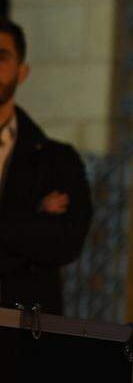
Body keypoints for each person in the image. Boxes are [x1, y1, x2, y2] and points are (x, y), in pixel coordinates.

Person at [0, 17, 92, 315]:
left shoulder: (57, 161)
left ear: (22, 72)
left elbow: (66, 243)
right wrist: (32, 218)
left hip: (24, 333)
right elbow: (38, 239)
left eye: (1, 57)